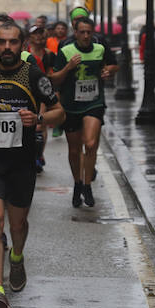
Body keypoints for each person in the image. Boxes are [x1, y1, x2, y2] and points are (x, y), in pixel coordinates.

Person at [0, 21, 65, 308]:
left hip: (22, 162)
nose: (8, 48)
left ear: (22, 46)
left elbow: (59, 111)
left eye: (13, 43)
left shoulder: (34, 75)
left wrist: (37, 120)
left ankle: (18, 256)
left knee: (17, 225)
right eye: (2, 42)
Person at [51, 17, 117, 207]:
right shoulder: (66, 50)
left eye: (89, 32)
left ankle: (87, 185)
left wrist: (108, 70)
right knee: (74, 149)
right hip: (71, 105)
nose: (86, 36)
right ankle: (78, 183)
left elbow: (113, 65)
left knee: (90, 143)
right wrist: (68, 67)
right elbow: (54, 78)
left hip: (94, 103)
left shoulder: (100, 49)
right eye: (82, 32)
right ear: (76, 33)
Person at [27, 25, 56, 172]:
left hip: (44, 92)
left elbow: (53, 73)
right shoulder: (25, 54)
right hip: (28, 91)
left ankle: (39, 154)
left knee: (41, 123)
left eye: (40, 33)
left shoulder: (49, 54)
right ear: (30, 37)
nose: (38, 37)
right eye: (35, 34)